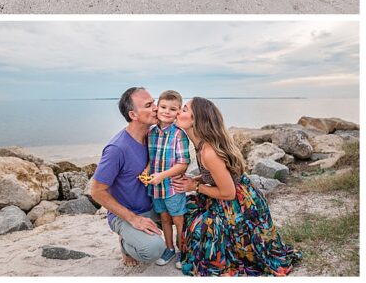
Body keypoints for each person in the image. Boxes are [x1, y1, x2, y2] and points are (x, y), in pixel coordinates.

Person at [173, 97, 300, 275]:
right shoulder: (200, 145)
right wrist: (198, 180)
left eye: (184, 109)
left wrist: (195, 186)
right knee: (187, 208)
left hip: (239, 205)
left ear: (196, 120)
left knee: (203, 229)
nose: (178, 111)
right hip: (230, 196)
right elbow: (215, 175)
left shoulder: (209, 152)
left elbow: (228, 192)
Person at [89, 86, 166, 267]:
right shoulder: (117, 149)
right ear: (133, 115)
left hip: (154, 206)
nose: (156, 107)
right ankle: (125, 243)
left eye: (154, 102)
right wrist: (133, 219)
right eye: (149, 105)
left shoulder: (154, 136)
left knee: (193, 215)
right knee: (153, 249)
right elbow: (97, 191)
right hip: (126, 215)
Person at [143, 90, 191, 266]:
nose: (166, 111)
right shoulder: (151, 132)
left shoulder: (179, 134)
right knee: (164, 218)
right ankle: (169, 249)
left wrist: (162, 175)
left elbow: (183, 163)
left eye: (172, 109)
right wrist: (147, 171)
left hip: (172, 186)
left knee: (178, 219)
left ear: (178, 112)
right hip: (156, 187)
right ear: (158, 107)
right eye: (163, 107)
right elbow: (151, 157)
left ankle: (182, 251)